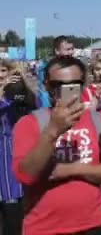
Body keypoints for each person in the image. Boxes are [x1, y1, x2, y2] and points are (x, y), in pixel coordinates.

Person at [12, 56, 101, 235]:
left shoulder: (99, 121)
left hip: (94, 223)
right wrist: (53, 130)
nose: (65, 90)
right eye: (58, 85)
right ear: (47, 85)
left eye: (74, 84)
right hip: (44, 227)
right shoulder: (29, 123)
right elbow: (25, 175)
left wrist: (71, 169)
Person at [0, 59, 36, 235]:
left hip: (9, 153)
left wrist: (24, 81)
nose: (1, 75)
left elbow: (34, 105)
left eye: (4, 71)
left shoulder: (15, 94)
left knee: (12, 206)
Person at [37, 36, 76, 108]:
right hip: (51, 110)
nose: (71, 52)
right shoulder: (47, 68)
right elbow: (44, 94)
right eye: (67, 49)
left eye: (72, 49)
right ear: (57, 51)